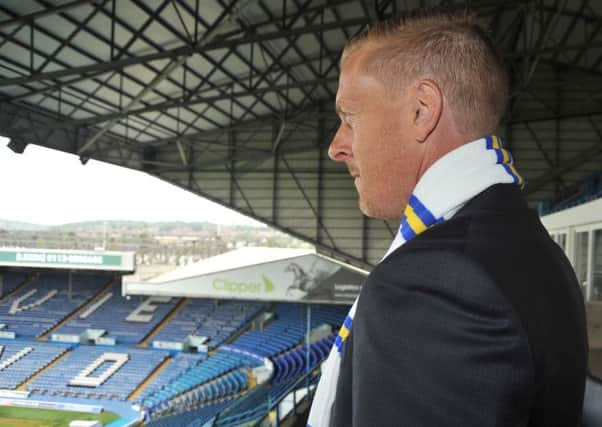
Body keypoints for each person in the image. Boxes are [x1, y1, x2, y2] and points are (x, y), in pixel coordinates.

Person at [307, 11, 588, 427]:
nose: (336, 147)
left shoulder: (433, 284)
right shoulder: (532, 247)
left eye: (349, 118)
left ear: (422, 110)